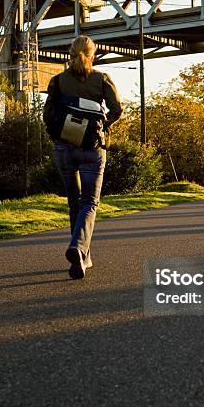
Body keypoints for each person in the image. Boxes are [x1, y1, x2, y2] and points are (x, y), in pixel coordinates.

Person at [43, 35, 122, 279]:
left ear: (71, 53)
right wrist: (101, 125)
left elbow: (47, 116)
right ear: (92, 54)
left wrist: (66, 132)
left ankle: (83, 257)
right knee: (89, 202)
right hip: (91, 149)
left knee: (74, 202)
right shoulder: (101, 79)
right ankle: (78, 248)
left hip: (63, 149)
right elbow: (116, 109)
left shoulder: (57, 81)